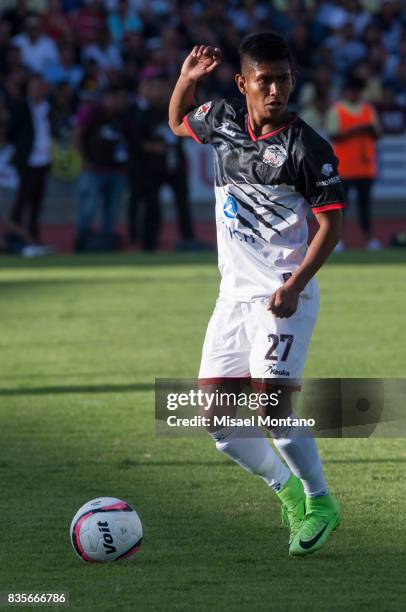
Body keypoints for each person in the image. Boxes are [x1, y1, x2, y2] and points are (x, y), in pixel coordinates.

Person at [169, 32, 345, 556]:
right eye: (264, 80)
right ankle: (286, 489)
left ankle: (320, 501)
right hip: (233, 298)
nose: (275, 90)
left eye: (283, 79)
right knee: (216, 420)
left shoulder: (309, 148)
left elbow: (332, 228)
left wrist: (295, 285)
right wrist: (185, 81)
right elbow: (177, 121)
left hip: (282, 296)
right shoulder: (222, 121)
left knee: (273, 409)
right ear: (243, 83)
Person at [327, 75, 382, 251]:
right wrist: (355, 130)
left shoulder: (368, 109)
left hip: (365, 168)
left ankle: (368, 239)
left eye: (356, 90)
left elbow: (378, 134)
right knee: (342, 208)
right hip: (344, 168)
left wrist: (368, 129)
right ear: (346, 92)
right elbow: (333, 134)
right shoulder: (337, 110)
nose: (354, 93)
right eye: (351, 90)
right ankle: (339, 241)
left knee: (365, 207)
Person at [73, 83, 129, 251]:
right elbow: (76, 135)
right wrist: (83, 159)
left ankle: (106, 243)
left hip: (116, 171)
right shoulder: (92, 111)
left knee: (112, 211)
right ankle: (81, 244)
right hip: (93, 170)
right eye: (116, 98)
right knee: (88, 208)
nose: (120, 101)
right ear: (107, 98)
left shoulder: (122, 115)